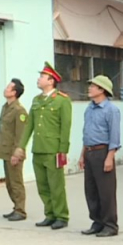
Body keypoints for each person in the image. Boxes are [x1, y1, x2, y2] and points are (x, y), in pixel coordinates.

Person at [19, 62, 72, 229]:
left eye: (42, 76)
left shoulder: (62, 101)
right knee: (42, 185)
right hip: (39, 148)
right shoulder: (36, 100)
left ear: (51, 81)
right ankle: (49, 214)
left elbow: (65, 127)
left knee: (56, 185)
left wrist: (63, 150)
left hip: (53, 150)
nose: (38, 79)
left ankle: (61, 216)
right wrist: (22, 146)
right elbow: (29, 126)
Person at [79, 75, 121, 238]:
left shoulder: (111, 110)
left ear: (102, 90)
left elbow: (114, 136)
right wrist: (82, 155)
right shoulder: (89, 108)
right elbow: (86, 133)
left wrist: (110, 157)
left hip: (102, 152)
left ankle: (110, 224)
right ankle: (97, 222)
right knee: (91, 190)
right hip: (89, 152)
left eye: (93, 86)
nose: (89, 88)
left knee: (106, 191)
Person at [0, 78, 28, 222]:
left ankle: (20, 210)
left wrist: (17, 153)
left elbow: (21, 135)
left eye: (8, 88)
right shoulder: (5, 107)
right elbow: (3, 131)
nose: (5, 89)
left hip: (14, 152)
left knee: (16, 182)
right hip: (5, 150)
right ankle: (15, 207)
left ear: (14, 92)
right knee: (9, 182)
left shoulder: (19, 111)